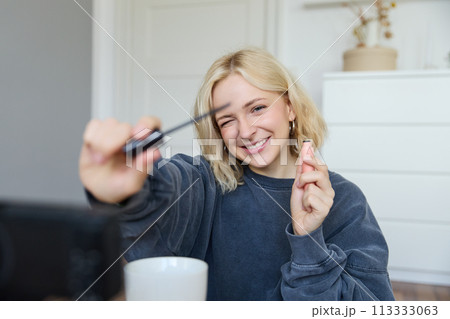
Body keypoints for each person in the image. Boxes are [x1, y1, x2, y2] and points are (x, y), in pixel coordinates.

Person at [79, 48, 395, 301]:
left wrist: (308, 240)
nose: (245, 131)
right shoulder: (205, 183)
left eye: (257, 108)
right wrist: (130, 193)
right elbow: (165, 189)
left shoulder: (346, 201)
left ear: (290, 107)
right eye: (227, 120)